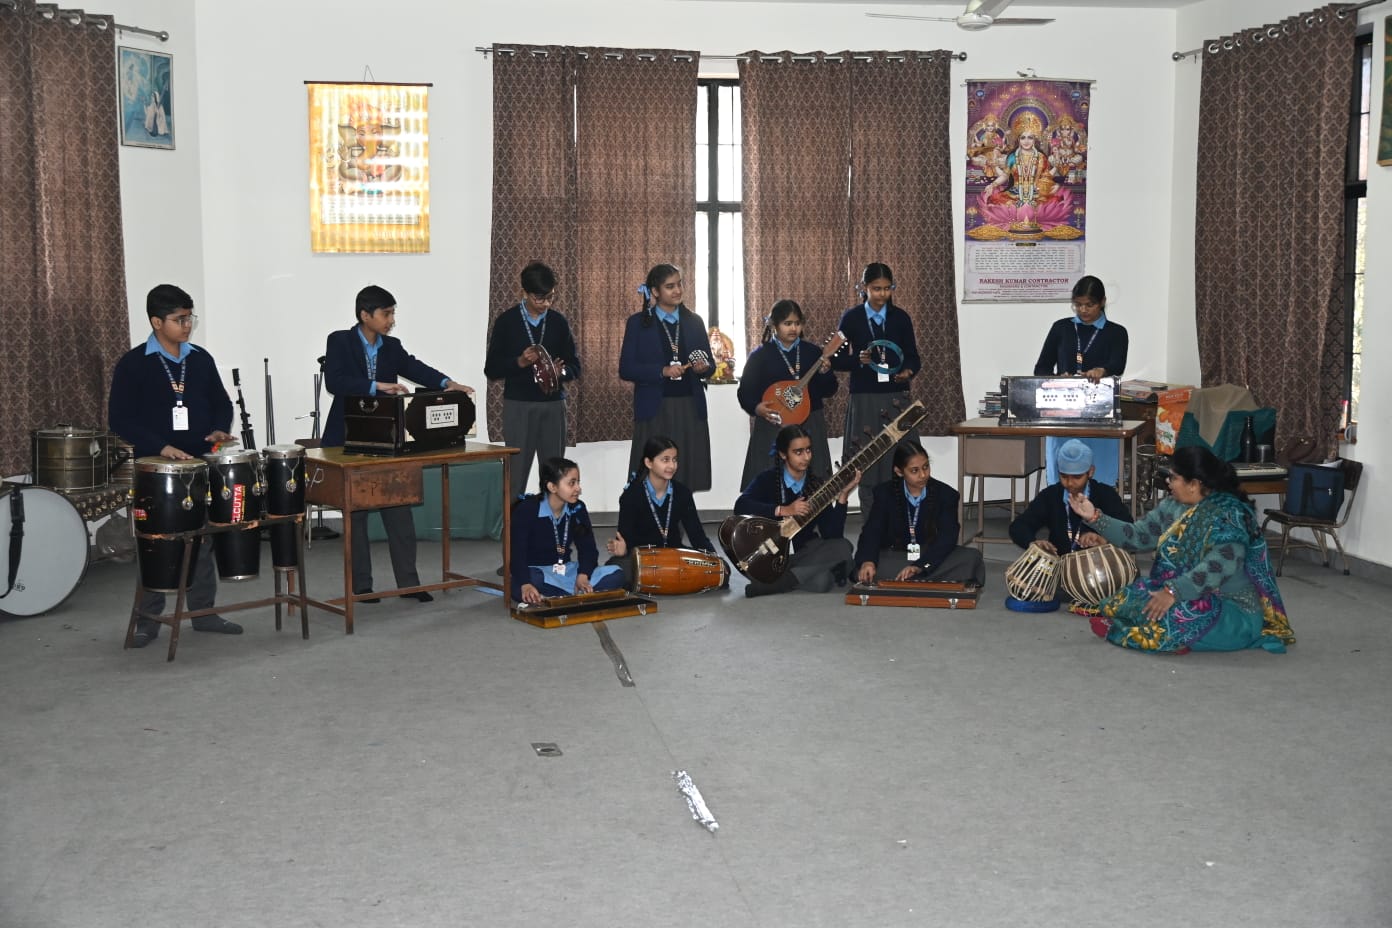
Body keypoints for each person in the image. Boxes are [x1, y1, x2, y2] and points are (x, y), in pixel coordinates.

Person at [323, 284, 475, 603]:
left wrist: (448, 383)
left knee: (399, 511)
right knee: (356, 517)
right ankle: (362, 587)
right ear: (365, 315)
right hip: (348, 439)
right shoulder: (340, 340)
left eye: (393, 313)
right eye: (386, 313)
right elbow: (335, 382)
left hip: (387, 440)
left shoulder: (392, 346)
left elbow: (415, 368)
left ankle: (408, 584)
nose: (391, 320)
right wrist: (376, 386)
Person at [109, 284, 242, 647]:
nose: (187, 325)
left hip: (199, 462)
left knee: (202, 538)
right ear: (157, 322)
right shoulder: (134, 364)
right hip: (156, 467)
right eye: (179, 319)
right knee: (158, 543)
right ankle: (147, 620)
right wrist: (162, 447)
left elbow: (221, 402)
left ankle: (204, 613)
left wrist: (219, 428)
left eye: (189, 318)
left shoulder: (200, 359)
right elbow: (119, 419)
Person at [1067, 446, 1295, 655]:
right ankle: (1162, 629)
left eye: (1174, 477)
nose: (1168, 482)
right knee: (1127, 597)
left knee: (1180, 613)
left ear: (1193, 484)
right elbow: (1138, 537)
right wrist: (1095, 517)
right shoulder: (1173, 506)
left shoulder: (1230, 515)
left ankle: (1165, 634)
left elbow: (1217, 566)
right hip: (1185, 592)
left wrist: (1174, 592)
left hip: (1232, 611)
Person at [483, 262, 580, 496]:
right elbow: (491, 369)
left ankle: (551, 517)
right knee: (515, 473)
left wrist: (560, 373)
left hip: (553, 404)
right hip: (519, 404)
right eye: (539, 298)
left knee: (554, 473)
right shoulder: (507, 321)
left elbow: (575, 366)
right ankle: (514, 518)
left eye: (550, 297)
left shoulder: (558, 322)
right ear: (525, 292)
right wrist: (519, 362)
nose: (546, 304)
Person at [831, 262, 920, 513]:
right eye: (876, 288)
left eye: (887, 288)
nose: (882, 294)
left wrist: (908, 371)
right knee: (866, 462)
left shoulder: (901, 318)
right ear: (864, 288)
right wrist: (856, 360)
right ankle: (870, 521)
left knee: (901, 459)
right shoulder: (852, 318)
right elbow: (835, 358)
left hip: (896, 398)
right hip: (864, 399)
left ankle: (901, 521)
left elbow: (914, 357)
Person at [733, 425, 859, 597]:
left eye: (808, 450)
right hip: (770, 554)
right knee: (822, 580)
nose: (806, 457)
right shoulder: (767, 479)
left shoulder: (816, 486)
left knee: (843, 546)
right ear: (783, 454)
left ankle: (781, 582)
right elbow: (741, 506)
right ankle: (821, 572)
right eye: (798, 452)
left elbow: (832, 534)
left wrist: (843, 496)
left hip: (803, 554)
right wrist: (783, 509)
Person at [619, 263, 714, 490]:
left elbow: (710, 365)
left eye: (679, 284)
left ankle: (682, 512)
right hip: (654, 409)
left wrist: (703, 368)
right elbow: (626, 369)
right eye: (670, 286)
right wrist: (661, 371)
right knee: (652, 475)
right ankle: (651, 512)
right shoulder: (638, 323)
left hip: (689, 407)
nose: (678, 290)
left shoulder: (694, 321)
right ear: (655, 291)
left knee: (686, 472)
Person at [1034, 275, 1129, 487]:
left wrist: (1102, 371)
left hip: (1100, 413)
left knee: (1100, 477)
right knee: (1064, 475)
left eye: (1089, 305)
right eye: (1078, 305)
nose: (1083, 310)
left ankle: (1100, 506)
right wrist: (1058, 380)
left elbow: (1118, 365)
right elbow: (1041, 367)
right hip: (1063, 412)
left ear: (1102, 302)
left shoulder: (1116, 332)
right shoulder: (1061, 328)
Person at [736, 299, 839, 487]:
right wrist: (757, 408)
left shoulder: (813, 352)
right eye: (787, 323)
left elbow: (830, 390)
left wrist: (825, 372)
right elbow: (745, 392)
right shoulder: (760, 356)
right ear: (774, 325)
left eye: (797, 323)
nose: (793, 328)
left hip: (809, 423)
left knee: (812, 486)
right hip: (773, 424)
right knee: (771, 484)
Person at [854, 441, 985, 586]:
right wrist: (868, 561)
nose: (923, 475)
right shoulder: (884, 493)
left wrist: (919, 566)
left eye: (926, 467)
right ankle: (922, 580)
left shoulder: (946, 494)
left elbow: (947, 538)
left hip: (930, 557)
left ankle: (908, 578)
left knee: (971, 558)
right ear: (899, 472)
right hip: (896, 556)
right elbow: (872, 531)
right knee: (866, 565)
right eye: (914, 471)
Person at [604, 436, 718, 589]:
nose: (672, 465)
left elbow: (697, 535)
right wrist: (623, 549)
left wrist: (713, 558)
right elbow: (626, 538)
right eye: (665, 460)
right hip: (642, 559)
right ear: (648, 463)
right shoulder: (631, 495)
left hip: (674, 556)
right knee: (614, 573)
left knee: (720, 571)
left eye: (674, 460)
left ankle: (659, 581)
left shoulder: (682, 493)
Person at [510, 457, 624, 604]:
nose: (578, 488)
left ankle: (558, 596)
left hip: (567, 571)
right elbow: (516, 553)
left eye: (578, 482)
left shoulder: (577, 508)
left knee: (617, 573)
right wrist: (525, 583)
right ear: (552, 487)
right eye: (572, 483)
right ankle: (575, 595)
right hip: (538, 572)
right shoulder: (527, 510)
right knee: (527, 582)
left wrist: (583, 575)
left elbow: (588, 549)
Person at [1009, 439, 1132, 557]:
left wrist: (1104, 540)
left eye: (1077, 477)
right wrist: (1032, 542)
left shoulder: (1105, 494)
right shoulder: (1051, 495)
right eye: (1064, 476)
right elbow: (1019, 526)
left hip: (1099, 563)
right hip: (1060, 563)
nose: (1070, 483)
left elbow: (1128, 529)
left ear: (1090, 472)